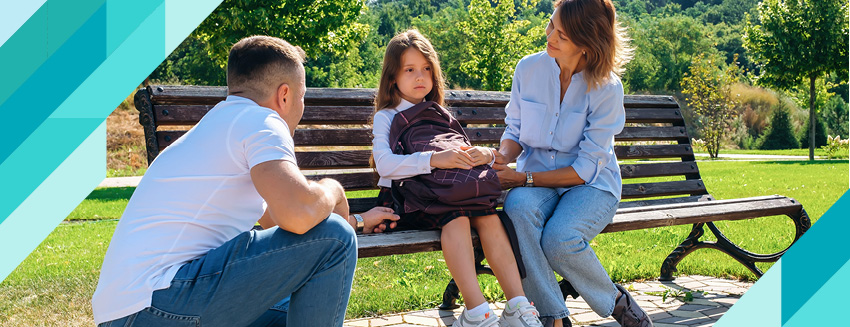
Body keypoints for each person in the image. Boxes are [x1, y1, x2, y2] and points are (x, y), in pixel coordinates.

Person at [91, 35, 397, 327]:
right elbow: (301, 216)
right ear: (285, 95)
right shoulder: (261, 121)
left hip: (131, 311)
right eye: (301, 97)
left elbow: (280, 228)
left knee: (294, 308)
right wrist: (334, 190)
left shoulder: (218, 127)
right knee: (334, 237)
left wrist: (356, 220)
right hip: (159, 305)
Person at [492, 1, 653, 327]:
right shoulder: (528, 69)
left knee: (560, 240)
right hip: (535, 173)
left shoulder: (607, 89)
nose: (549, 34)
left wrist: (522, 179)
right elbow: (515, 130)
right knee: (518, 209)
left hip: (592, 184)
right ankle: (553, 318)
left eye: (561, 34)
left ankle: (616, 302)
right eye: (551, 24)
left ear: (586, 45)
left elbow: (584, 170)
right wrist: (503, 157)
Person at [371, 30, 543, 327]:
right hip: (410, 201)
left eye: (426, 69)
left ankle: (517, 305)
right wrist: (435, 160)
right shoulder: (387, 116)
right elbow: (385, 166)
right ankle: (477, 311)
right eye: (409, 70)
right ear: (392, 77)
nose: (420, 77)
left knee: (489, 217)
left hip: (449, 195)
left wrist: (479, 156)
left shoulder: (438, 112)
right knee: (459, 217)